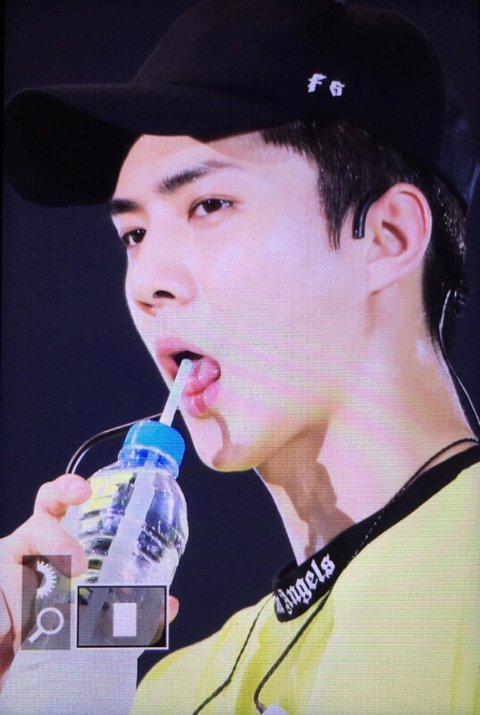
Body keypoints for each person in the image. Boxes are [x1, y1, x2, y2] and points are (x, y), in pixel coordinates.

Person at [1, 0, 479, 713]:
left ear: (386, 237)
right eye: (134, 234)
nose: (147, 281)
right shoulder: (164, 693)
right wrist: (32, 676)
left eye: (209, 204)